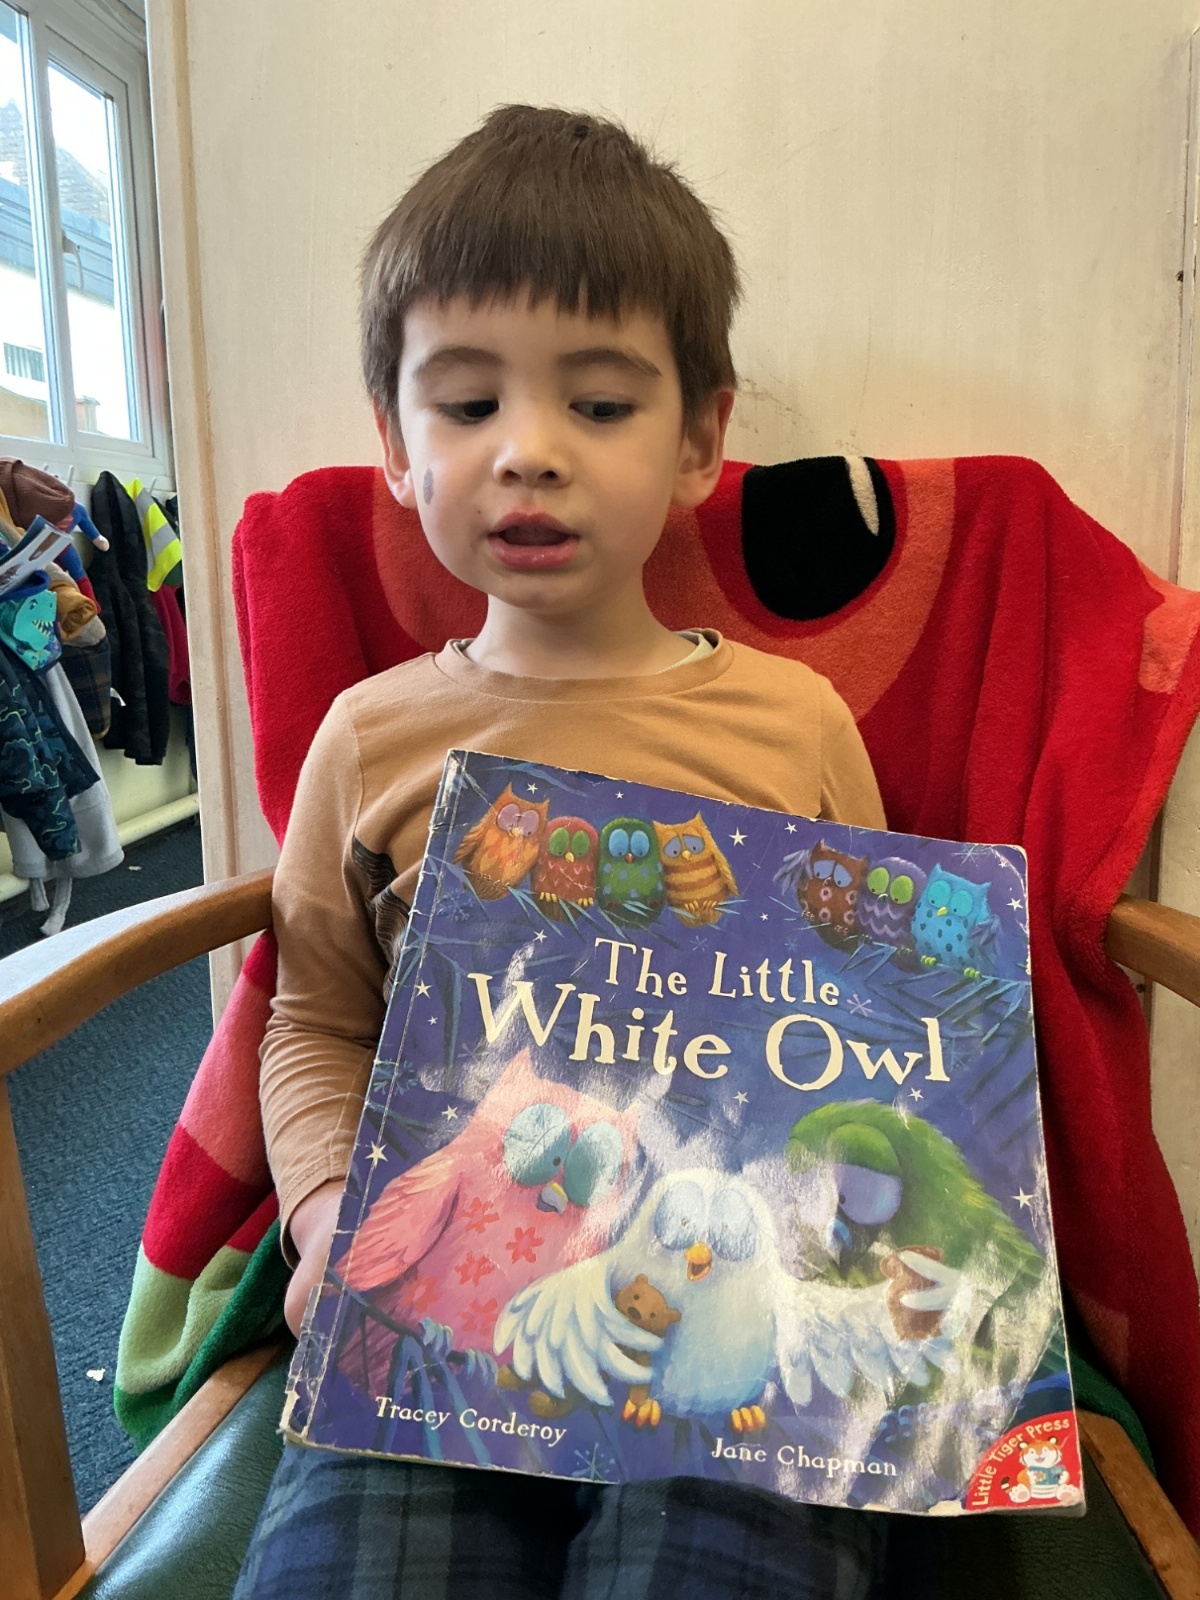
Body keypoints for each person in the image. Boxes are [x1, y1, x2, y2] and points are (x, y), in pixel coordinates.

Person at [235, 105, 889, 1600]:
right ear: (395, 445)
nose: (527, 452)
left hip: (722, 1306)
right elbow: (314, 1018)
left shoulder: (797, 726)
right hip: (435, 1308)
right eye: (467, 403)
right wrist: (331, 1220)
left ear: (700, 440)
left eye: (597, 404)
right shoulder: (370, 737)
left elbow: (870, 1026)